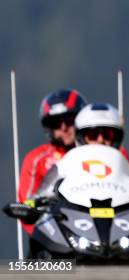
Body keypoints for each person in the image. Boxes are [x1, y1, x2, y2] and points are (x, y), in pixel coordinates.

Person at [37, 103, 129, 200]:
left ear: (116, 138)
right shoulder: (64, 166)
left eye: (107, 135)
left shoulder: (125, 164)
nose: (100, 139)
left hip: (118, 218)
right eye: (93, 135)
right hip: (74, 218)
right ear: (81, 138)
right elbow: (40, 198)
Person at [17, 89, 87, 234]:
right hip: (57, 235)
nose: (64, 128)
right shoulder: (37, 159)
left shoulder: (101, 151)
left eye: (69, 120)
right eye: (56, 123)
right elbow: (27, 205)